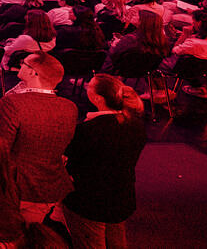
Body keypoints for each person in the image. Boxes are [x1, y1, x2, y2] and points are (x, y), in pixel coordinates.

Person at [62, 75, 146, 249]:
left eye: (90, 86)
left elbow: (71, 161)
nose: (86, 88)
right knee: (116, 242)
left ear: (98, 98)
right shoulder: (135, 125)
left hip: (89, 202)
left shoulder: (88, 130)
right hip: (121, 197)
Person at [0, 52, 77, 223]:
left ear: (33, 72)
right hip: (51, 186)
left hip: (19, 188)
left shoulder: (13, 103)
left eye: (23, 63)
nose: (20, 65)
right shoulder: (70, 107)